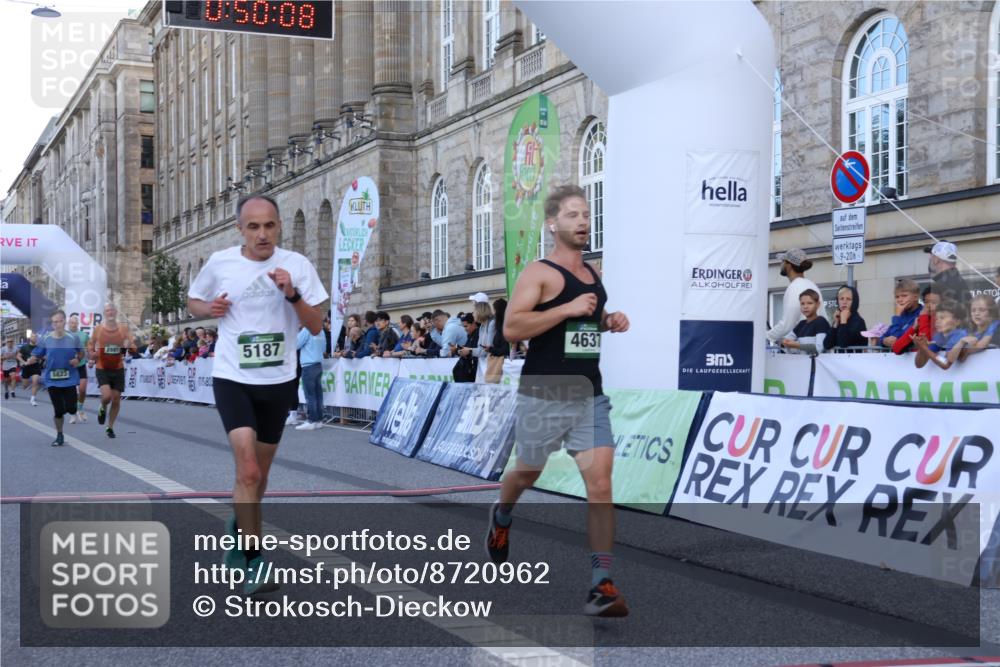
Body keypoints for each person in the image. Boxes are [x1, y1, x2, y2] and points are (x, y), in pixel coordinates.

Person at [486, 184, 630, 617]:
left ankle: (601, 583)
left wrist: (608, 320)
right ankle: (502, 513)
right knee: (527, 471)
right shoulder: (539, 273)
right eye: (572, 215)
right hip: (543, 393)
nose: (583, 221)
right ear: (552, 224)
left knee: (600, 484)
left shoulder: (593, 273)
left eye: (586, 214)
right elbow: (513, 329)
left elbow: (585, 325)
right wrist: (566, 309)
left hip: (588, 393)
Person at [188, 193, 327, 596]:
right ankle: (254, 561)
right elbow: (193, 301)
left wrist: (292, 295)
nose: (262, 234)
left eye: (269, 225)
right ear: (240, 229)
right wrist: (208, 310)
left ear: (279, 226)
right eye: (253, 227)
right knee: (248, 471)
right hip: (233, 378)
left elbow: (316, 325)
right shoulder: (221, 263)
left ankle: (239, 525)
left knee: (259, 476)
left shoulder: (296, 265)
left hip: (279, 381)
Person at [26, 310, 83, 446]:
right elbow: (37, 354)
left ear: (64, 322)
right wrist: (32, 359)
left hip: (69, 378)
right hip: (52, 380)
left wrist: (77, 359)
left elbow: (81, 353)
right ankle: (59, 435)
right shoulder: (46, 338)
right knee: (58, 411)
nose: (56, 324)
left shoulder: (73, 338)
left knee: (71, 408)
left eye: (59, 321)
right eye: (54, 322)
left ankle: (73, 411)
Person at [88, 303, 136, 438]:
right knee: (106, 397)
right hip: (102, 367)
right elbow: (91, 344)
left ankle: (109, 427)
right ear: (104, 313)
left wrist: (129, 345)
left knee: (116, 400)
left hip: (118, 368)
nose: (110, 312)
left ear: (116, 312)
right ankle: (102, 407)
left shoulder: (123, 329)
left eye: (112, 310)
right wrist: (92, 354)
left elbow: (133, 347)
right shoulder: (98, 329)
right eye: (107, 310)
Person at [766, 248, 821, 344]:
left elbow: (787, 325)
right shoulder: (811, 285)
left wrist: (766, 336)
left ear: (789, 265)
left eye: (783, 261)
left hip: (802, 348)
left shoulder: (795, 287)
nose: (781, 264)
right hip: (813, 344)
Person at [913, 300, 967, 370]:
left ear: (957, 321)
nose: (937, 321)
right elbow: (919, 364)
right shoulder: (939, 336)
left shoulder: (959, 334)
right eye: (936, 318)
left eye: (942, 318)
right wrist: (921, 348)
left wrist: (924, 347)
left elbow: (945, 363)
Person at [925, 241, 970, 317]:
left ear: (936, 260)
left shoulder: (942, 285)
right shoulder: (957, 280)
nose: (929, 259)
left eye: (931, 257)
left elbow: (940, 318)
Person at [295, 324, 327, 431]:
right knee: (318, 394)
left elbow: (296, 344)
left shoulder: (306, 330)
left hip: (308, 365)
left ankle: (312, 420)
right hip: (318, 364)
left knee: (310, 394)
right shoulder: (321, 331)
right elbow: (324, 348)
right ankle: (319, 420)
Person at [780, 289, 830, 354]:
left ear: (818, 304)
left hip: (817, 360)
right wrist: (784, 342)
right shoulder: (801, 324)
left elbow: (819, 349)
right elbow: (785, 340)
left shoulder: (821, 322)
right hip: (803, 360)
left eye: (810, 303)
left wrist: (796, 345)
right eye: (802, 304)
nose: (805, 307)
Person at [892, 287, 938, 356]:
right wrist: (913, 328)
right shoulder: (924, 318)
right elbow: (896, 348)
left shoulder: (947, 322)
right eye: (926, 302)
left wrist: (924, 316)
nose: (929, 305)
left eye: (933, 302)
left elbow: (926, 347)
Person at [878, 279, 922, 351]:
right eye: (897, 297)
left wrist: (897, 316)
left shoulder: (921, 314)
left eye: (904, 295)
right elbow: (884, 336)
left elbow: (898, 339)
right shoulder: (902, 314)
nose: (900, 300)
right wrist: (884, 341)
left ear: (916, 297)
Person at [823, 284, 868, 351]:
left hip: (854, 357)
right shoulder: (838, 319)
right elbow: (827, 345)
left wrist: (844, 321)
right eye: (841, 299)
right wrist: (835, 324)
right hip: (839, 357)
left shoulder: (858, 321)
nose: (844, 302)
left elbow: (843, 344)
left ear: (854, 302)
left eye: (848, 299)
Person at [955, 294, 999, 362]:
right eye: (973, 310)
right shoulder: (967, 332)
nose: (976, 313)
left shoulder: (997, 330)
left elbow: (982, 345)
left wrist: (966, 351)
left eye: (982, 310)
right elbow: (959, 358)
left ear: (991, 313)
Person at [66, 315, 91, 422]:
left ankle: (80, 408)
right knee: (71, 392)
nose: (73, 325)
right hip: (69, 366)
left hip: (81, 364)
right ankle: (73, 413)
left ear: (78, 324)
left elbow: (89, 349)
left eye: (75, 323)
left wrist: (91, 359)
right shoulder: (64, 335)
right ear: (68, 324)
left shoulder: (84, 335)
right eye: (71, 323)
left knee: (82, 389)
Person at [484, 298, 510, 383]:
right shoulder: (499, 327)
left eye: (495, 310)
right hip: (502, 364)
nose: (494, 313)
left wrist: (491, 349)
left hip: (504, 366)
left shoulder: (505, 327)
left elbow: (505, 349)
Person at [452, 313, 480, 382]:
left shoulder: (479, 334)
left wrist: (464, 351)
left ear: (473, 323)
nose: (464, 329)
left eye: (466, 326)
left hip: (476, 371)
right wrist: (458, 350)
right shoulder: (470, 335)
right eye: (463, 327)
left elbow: (474, 351)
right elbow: (466, 349)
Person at [17, 333, 42, 405]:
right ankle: (26, 385)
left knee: (35, 381)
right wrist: (24, 362)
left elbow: (42, 356)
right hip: (26, 367)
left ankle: (32, 399)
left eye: (35, 337)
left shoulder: (39, 347)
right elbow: (18, 356)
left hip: (35, 367)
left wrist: (37, 359)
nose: (34, 338)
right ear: (30, 338)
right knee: (25, 386)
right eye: (33, 336)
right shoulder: (24, 347)